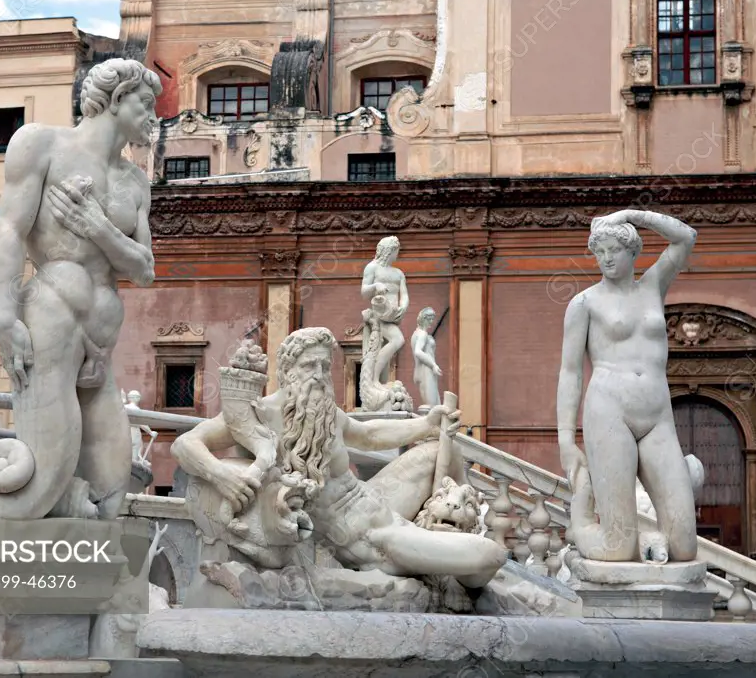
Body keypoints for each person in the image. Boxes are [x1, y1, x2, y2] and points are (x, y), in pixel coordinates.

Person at [0, 59, 160, 520]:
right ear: (114, 100)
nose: (154, 117)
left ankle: (82, 583)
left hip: (102, 342)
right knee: (43, 476)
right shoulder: (41, 143)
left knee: (112, 487)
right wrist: (3, 317)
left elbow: (145, 270)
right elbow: (8, 231)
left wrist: (99, 228)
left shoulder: (135, 181)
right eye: (146, 104)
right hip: (52, 318)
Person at [171, 327, 508, 589]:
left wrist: (425, 424)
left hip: (374, 498)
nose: (318, 374)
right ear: (287, 370)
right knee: (490, 555)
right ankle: (450, 561)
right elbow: (186, 444)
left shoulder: (326, 412)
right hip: (368, 538)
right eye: (308, 366)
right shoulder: (259, 415)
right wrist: (220, 475)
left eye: (324, 365)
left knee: (440, 451)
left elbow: (369, 435)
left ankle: (457, 526)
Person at [557, 209, 699, 562]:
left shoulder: (653, 286)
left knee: (684, 545)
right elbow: (570, 372)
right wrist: (565, 438)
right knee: (617, 548)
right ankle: (581, 523)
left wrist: (633, 214)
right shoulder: (584, 303)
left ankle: (650, 537)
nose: (605, 258)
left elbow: (686, 237)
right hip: (609, 412)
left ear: (633, 251)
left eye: (614, 250)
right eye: (599, 252)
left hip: (657, 416)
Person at [360, 236, 409, 385]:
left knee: (384, 347)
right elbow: (363, 291)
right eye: (396, 251)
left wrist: (404, 306)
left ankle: (380, 381)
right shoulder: (372, 267)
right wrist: (376, 286)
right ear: (389, 251)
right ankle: (373, 379)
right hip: (379, 314)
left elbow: (404, 294)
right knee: (397, 340)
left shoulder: (399, 273)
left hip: (393, 315)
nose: (397, 254)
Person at [411, 307, 442, 408]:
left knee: (431, 406)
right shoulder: (422, 334)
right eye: (430, 319)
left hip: (420, 371)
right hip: (426, 371)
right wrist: (433, 365)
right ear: (424, 319)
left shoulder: (415, 334)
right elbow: (418, 352)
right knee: (433, 406)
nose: (432, 322)